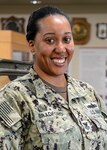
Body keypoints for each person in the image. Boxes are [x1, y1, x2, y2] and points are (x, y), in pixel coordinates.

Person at [0, 5, 107, 150]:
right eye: (50, 40)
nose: (61, 48)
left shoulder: (87, 92)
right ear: (32, 45)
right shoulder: (13, 97)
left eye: (67, 39)